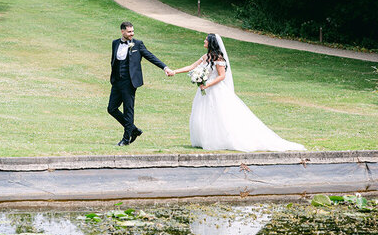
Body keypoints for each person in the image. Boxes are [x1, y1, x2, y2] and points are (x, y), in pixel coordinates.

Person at [172, 34, 305, 151]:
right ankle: (204, 139)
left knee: (219, 115)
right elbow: (191, 67)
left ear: (211, 43)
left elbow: (221, 76)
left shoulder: (218, 58)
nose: (204, 41)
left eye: (206, 40)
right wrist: (174, 71)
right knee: (203, 114)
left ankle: (219, 140)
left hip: (215, 90)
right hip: (205, 91)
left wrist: (206, 84)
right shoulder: (206, 56)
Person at [108, 21, 174, 146]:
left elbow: (150, 56)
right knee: (111, 108)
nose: (132, 33)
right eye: (129, 31)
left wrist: (165, 67)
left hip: (129, 82)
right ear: (122, 31)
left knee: (128, 110)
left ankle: (126, 138)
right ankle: (133, 129)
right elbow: (114, 61)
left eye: (132, 31)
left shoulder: (137, 44)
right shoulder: (115, 43)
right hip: (117, 81)